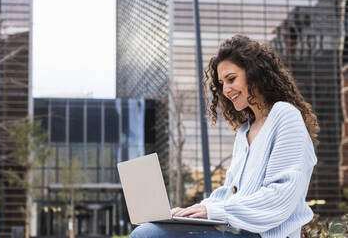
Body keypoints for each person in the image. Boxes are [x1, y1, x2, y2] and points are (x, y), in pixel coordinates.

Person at [130, 35, 319, 238]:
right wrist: (194, 210)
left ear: (255, 75)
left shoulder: (285, 115)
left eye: (231, 79)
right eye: (221, 83)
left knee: (148, 235)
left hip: (264, 233)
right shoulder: (244, 132)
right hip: (235, 228)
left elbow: (281, 197)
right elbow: (228, 193)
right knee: (149, 230)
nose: (226, 90)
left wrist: (213, 211)